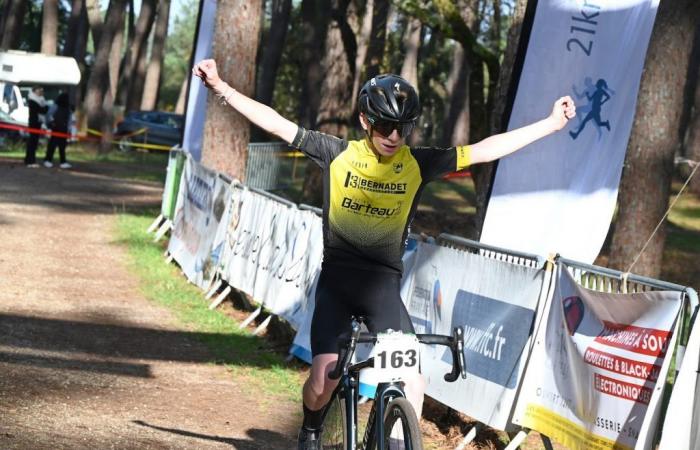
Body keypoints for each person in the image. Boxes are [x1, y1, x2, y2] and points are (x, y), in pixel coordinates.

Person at [192, 59, 576, 450]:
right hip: (337, 286)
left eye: (403, 128)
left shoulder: (417, 163)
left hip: (383, 290)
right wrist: (222, 87)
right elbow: (274, 122)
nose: (394, 136)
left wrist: (550, 124)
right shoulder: (335, 153)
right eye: (385, 126)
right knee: (324, 381)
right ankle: (311, 427)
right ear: (364, 120)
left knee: (414, 383)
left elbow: (483, 151)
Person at [43, 92, 73, 169]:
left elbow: (69, 120)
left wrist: (69, 129)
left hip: (63, 129)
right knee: (52, 145)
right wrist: (51, 123)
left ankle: (63, 162)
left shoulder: (68, 108)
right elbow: (49, 115)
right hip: (56, 128)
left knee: (62, 146)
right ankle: (48, 160)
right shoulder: (55, 106)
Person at [25, 86, 48, 167]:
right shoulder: (32, 100)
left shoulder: (41, 100)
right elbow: (42, 110)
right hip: (33, 123)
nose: (41, 92)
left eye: (42, 91)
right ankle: (31, 161)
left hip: (38, 123)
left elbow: (45, 110)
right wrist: (43, 106)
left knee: (34, 142)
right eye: (39, 90)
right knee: (32, 142)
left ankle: (30, 160)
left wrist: (44, 106)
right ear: (34, 91)